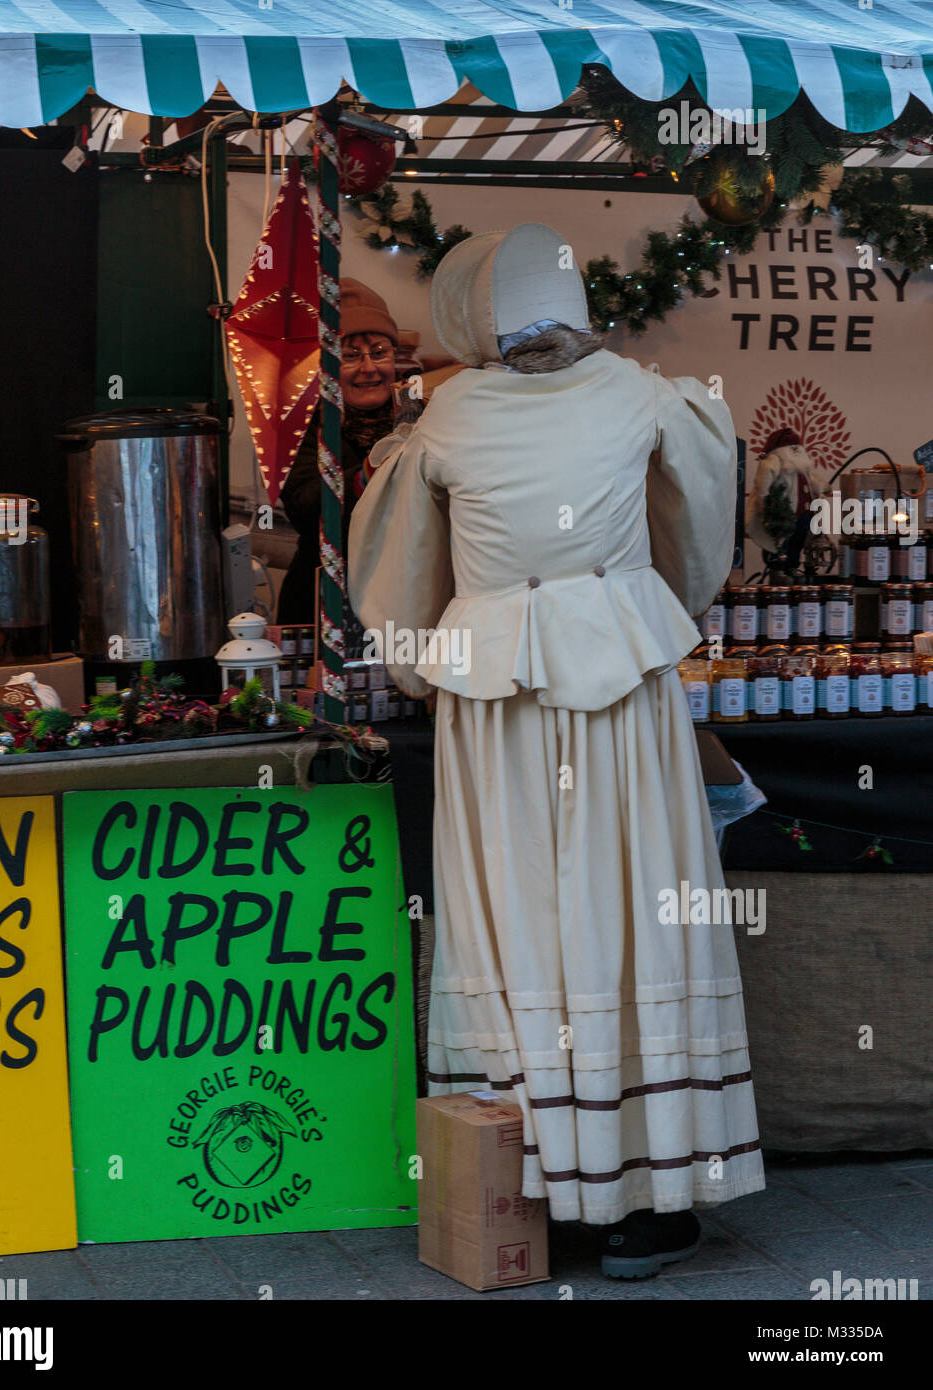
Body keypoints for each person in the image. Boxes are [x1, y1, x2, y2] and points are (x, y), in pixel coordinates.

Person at [349, 223, 765, 1279]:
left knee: (521, 918)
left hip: (499, 705)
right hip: (620, 691)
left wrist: (432, 647)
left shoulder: (444, 416)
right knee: (631, 912)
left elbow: (400, 593)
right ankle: (649, 1189)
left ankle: (533, 1177)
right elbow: (697, 539)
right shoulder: (641, 397)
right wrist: (636, 592)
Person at [276, 278, 400, 626]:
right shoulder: (305, 424)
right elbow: (305, 507)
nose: (368, 368)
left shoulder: (419, 415)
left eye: (379, 352)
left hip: (405, 596)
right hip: (322, 600)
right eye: (349, 356)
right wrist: (370, 472)